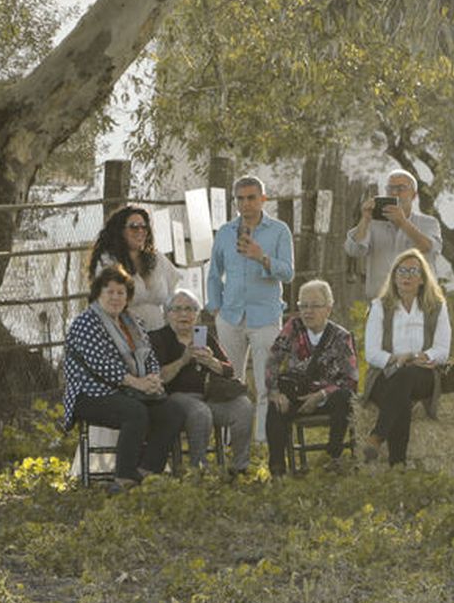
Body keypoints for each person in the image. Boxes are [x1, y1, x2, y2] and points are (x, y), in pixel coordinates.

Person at [61, 263, 186, 484]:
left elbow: (150, 358)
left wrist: (153, 380)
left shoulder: (133, 322)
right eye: (110, 292)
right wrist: (137, 383)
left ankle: (147, 472)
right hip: (91, 394)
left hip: (129, 390)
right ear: (98, 293)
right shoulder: (86, 322)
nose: (116, 298)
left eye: (121, 293)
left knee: (173, 411)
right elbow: (100, 364)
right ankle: (124, 477)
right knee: (135, 413)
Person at [206, 175, 294, 442]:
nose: (246, 204)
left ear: (263, 199)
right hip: (230, 316)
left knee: (266, 382)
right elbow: (213, 273)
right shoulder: (225, 232)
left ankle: (263, 443)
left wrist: (262, 257)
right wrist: (215, 307)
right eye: (241, 199)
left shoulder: (279, 230)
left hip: (265, 316)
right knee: (229, 384)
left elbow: (288, 273)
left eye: (251, 198)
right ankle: (231, 443)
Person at [362, 248, 452, 467]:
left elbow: (442, 349)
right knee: (400, 391)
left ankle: (377, 436)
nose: (406, 276)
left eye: (413, 271)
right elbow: (371, 353)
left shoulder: (436, 307)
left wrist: (424, 356)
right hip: (386, 373)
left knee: (406, 377)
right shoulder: (379, 307)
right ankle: (398, 466)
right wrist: (395, 359)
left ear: (422, 279)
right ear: (394, 276)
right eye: (401, 271)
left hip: (423, 373)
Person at [148, 288, 253, 473]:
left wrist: (211, 361)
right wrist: (183, 359)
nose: (184, 314)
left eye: (190, 309)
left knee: (243, 406)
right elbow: (158, 377)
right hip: (174, 399)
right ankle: (199, 468)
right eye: (177, 309)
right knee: (200, 412)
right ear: (168, 314)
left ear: (196, 315)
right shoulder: (158, 338)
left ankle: (240, 466)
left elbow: (229, 371)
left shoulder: (204, 337)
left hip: (210, 396)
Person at [265, 279, 359, 477]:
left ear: (328, 309)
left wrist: (321, 395)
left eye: (315, 306)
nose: (308, 311)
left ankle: (332, 458)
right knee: (275, 404)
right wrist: (274, 392)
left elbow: (351, 379)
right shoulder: (293, 327)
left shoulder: (341, 337)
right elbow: (273, 360)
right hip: (297, 395)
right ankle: (277, 471)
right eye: (303, 306)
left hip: (327, 397)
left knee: (345, 397)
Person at [344, 170, 444, 300]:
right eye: (390, 188)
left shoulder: (428, 223)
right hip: (381, 304)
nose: (395, 193)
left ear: (414, 195)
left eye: (401, 188)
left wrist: (403, 223)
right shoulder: (373, 224)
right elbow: (354, 251)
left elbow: (428, 248)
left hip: (418, 305)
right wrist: (365, 219)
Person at [88, 205, 180, 330]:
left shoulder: (158, 260)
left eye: (144, 227)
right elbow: (104, 302)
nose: (140, 231)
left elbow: (174, 296)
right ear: (120, 231)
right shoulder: (108, 262)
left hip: (159, 334)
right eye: (134, 227)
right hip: (125, 336)